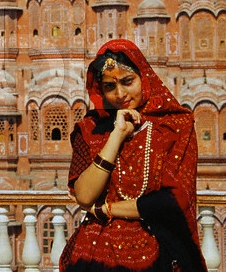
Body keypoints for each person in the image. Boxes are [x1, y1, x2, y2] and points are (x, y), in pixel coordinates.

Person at [60, 39, 206, 272]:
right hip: (94, 255)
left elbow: (174, 199)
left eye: (128, 81)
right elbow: (85, 196)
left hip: (159, 253)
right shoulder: (91, 129)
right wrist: (116, 135)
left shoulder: (175, 126)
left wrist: (105, 210)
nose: (120, 94)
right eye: (109, 86)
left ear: (144, 76)